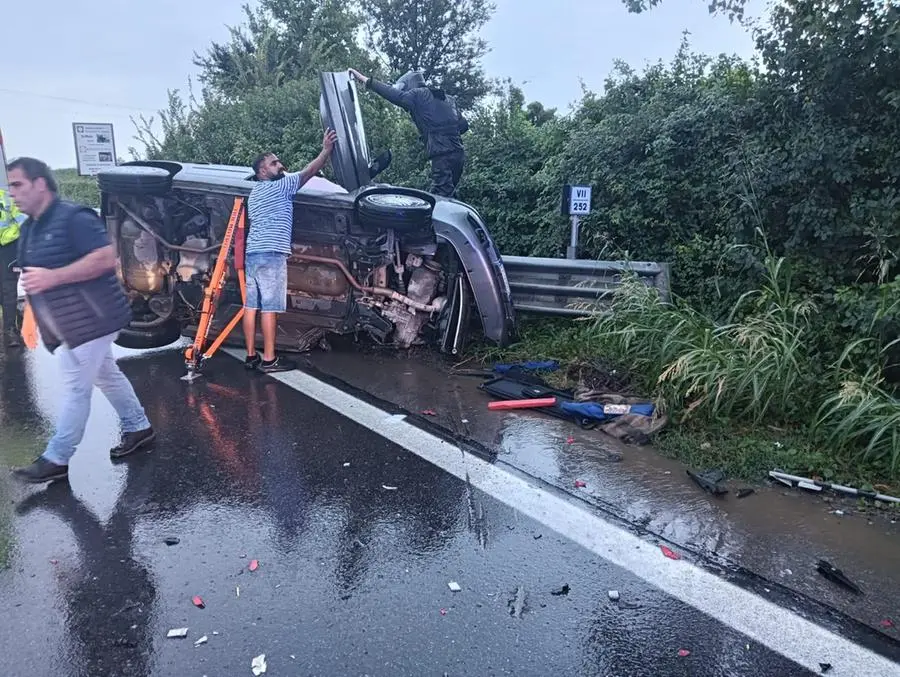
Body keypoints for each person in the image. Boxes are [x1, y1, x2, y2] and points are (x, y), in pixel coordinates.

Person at [7, 157, 154, 484]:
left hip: (92, 318)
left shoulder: (74, 217)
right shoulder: (32, 225)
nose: (11, 192)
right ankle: (139, 427)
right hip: (70, 322)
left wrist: (52, 277)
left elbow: (105, 258)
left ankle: (56, 458)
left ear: (40, 184)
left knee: (76, 388)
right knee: (106, 375)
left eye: (17, 184)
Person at [242, 129, 338, 372]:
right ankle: (269, 360)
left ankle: (251, 356)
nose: (280, 165)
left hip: (253, 254)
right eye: (274, 163)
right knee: (270, 308)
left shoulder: (254, 194)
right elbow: (310, 171)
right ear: (262, 171)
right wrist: (326, 149)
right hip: (272, 254)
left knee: (251, 306)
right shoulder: (282, 186)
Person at [349, 68, 469, 198]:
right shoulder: (448, 98)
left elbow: (395, 96)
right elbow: (463, 126)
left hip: (441, 155)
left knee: (440, 197)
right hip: (458, 154)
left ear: (409, 86)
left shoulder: (417, 94)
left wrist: (366, 81)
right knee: (450, 195)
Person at [0, 189, 22, 347]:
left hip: (8, 248)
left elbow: (24, 222)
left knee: (8, 290)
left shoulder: (7, 198)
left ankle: (10, 330)